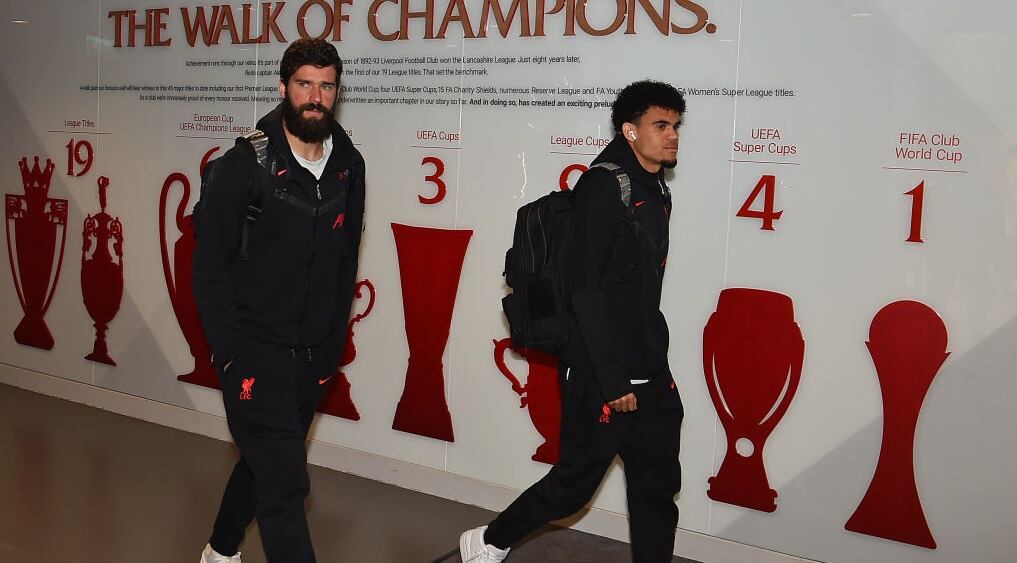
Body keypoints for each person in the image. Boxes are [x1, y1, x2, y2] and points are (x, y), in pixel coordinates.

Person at [460, 80, 686, 563]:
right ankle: (489, 541)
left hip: (650, 368)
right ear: (630, 131)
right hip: (603, 373)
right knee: (571, 487)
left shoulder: (656, 190)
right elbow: (583, 290)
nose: (671, 136)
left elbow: (640, 292)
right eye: (660, 125)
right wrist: (609, 377)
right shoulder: (605, 186)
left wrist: (653, 362)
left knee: (656, 492)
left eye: (676, 126)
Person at [192, 38, 365, 563]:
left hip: (312, 355)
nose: (315, 97)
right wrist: (228, 354)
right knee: (286, 483)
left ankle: (220, 551)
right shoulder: (247, 163)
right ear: (283, 88)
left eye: (326, 86)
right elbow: (209, 269)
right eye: (304, 84)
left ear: (337, 92)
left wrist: (331, 348)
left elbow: (344, 264)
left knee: (265, 463)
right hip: (253, 351)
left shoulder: (349, 165)